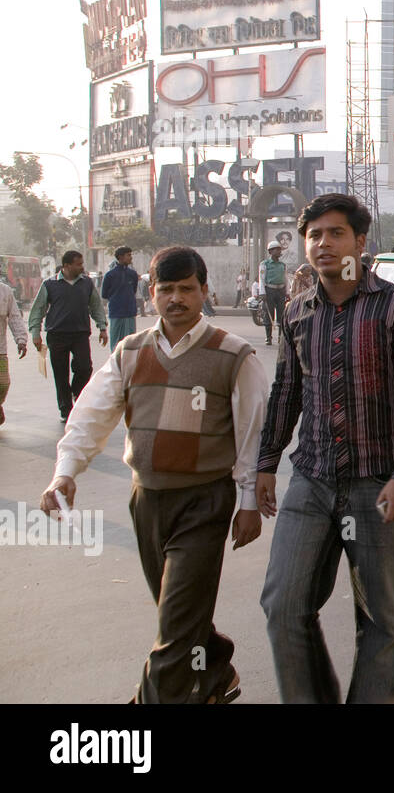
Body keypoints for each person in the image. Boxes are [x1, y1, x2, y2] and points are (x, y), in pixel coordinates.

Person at [42, 246, 268, 703]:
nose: (177, 298)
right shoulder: (130, 351)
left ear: (206, 291)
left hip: (204, 501)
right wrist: (65, 472)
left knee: (175, 625)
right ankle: (214, 670)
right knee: (178, 615)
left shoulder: (234, 355)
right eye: (166, 289)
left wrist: (248, 503)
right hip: (146, 500)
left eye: (187, 288)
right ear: (151, 292)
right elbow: (91, 414)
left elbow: (252, 433)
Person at [258, 194, 394, 703]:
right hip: (310, 479)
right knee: (284, 604)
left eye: (336, 233)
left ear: (361, 242)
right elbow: (287, 390)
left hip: (377, 482)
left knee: (381, 618)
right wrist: (266, 464)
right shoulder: (297, 311)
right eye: (314, 234)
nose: (324, 243)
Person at [29, 250, 108, 424]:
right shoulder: (49, 284)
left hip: (80, 333)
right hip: (57, 335)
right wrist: (35, 333)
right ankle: (66, 410)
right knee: (60, 374)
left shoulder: (86, 283)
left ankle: (76, 391)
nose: (82, 267)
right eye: (78, 264)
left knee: (85, 367)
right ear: (66, 266)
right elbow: (38, 310)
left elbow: (95, 306)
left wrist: (102, 327)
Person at [0, 277, 29, 426]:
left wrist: (21, 339)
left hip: (0, 351)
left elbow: (15, 317)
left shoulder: (5, 291)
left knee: (3, 384)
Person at [101, 246, 140, 353]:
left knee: (130, 343)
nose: (131, 258)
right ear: (121, 257)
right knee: (116, 344)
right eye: (129, 255)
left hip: (130, 313)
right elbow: (104, 294)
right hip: (116, 313)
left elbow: (133, 290)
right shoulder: (110, 275)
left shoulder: (132, 274)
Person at [258, 241, 288, 347]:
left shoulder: (282, 265)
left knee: (282, 314)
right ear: (270, 251)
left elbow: (285, 279)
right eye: (276, 249)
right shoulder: (264, 264)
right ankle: (268, 337)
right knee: (268, 314)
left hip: (280, 291)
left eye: (279, 249)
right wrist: (262, 292)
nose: (279, 251)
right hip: (269, 290)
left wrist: (287, 292)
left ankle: (281, 337)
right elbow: (261, 279)